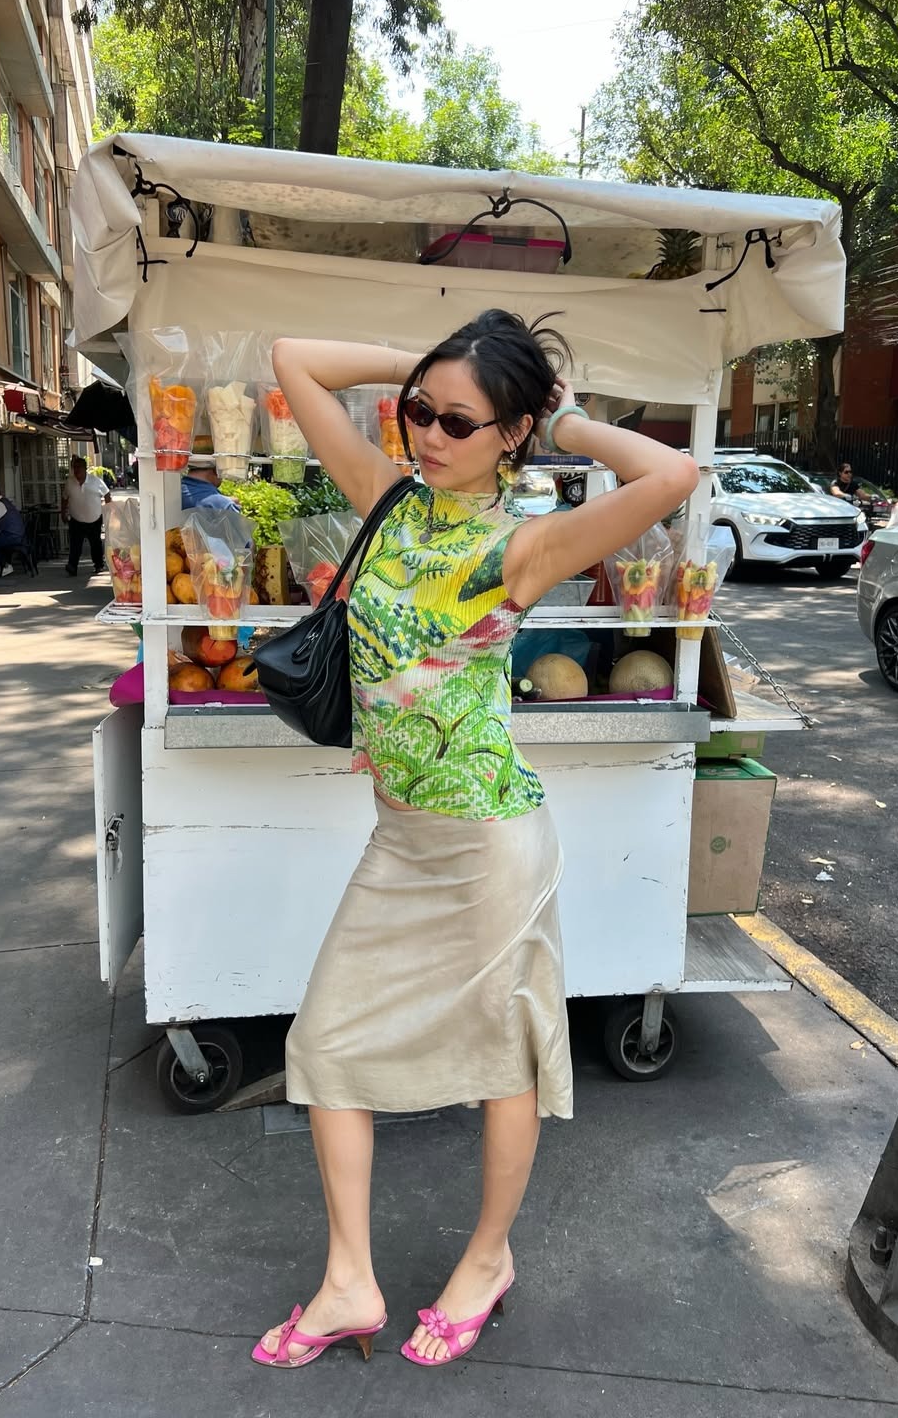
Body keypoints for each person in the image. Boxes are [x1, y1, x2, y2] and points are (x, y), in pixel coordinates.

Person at [252, 311, 698, 1371]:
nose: (428, 433)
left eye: (458, 419)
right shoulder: (387, 498)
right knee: (325, 1046)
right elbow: (295, 357)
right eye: (418, 411)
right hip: (402, 841)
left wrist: (574, 425)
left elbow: (673, 474)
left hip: (492, 844)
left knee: (504, 1060)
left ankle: (487, 1260)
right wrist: (416, 360)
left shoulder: (526, 543)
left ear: (510, 434)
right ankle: (350, 1281)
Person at [62, 457, 111, 576]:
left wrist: (108, 510)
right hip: (76, 519)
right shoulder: (70, 482)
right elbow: (64, 498)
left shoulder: (95, 481)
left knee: (95, 543)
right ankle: (72, 566)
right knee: (75, 544)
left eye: (79, 468)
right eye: (75, 468)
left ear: (85, 469)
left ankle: (99, 564)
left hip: (94, 518)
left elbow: (107, 494)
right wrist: (63, 512)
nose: (76, 470)